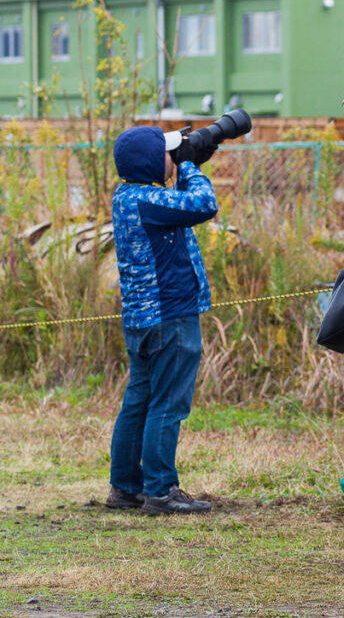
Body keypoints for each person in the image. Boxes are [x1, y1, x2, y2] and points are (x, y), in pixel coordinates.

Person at [105, 126, 219, 516]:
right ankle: (161, 490)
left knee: (138, 400)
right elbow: (205, 204)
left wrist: (186, 161)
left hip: (140, 318)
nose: (173, 158)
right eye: (167, 154)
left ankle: (125, 487)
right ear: (152, 162)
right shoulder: (151, 199)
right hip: (171, 316)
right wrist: (189, 165)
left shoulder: (127, 196)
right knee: (168, 403)